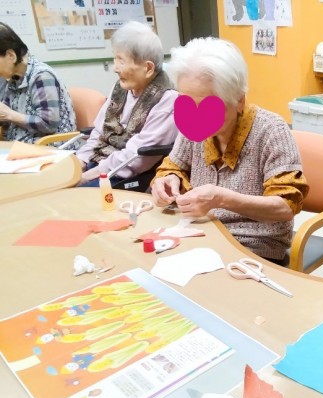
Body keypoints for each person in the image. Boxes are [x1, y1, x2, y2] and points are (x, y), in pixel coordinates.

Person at [151, 37, 309, 263]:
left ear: (239, 101)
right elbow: (173, 166)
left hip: (254, 245)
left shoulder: (271, 131)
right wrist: (167, 181)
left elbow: (285, 206)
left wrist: (221, 198)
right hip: (200, 233)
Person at [76, 21, 178, 187]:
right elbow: (100, 131)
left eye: (121, 61)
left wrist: (88, 175)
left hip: (127, 174)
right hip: (100, 163)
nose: (115, 68)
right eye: (115, 59)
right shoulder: (121, 87)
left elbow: (137, 158)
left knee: (73, 195)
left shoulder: (168, 100)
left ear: (148, 68)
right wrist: (81, 161)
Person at [0, 22, 75, 143]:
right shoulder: (13, 77)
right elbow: (5, 115)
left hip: (50, 146)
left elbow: (48, 124)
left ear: (11, 56)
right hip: (20, 145)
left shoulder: (41, 76)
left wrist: (10, 115)